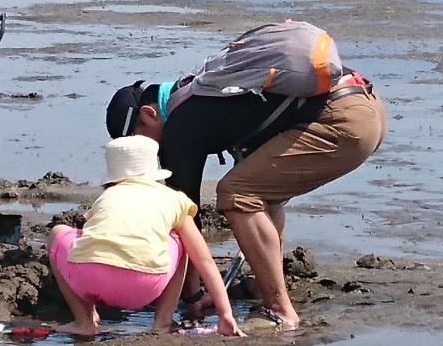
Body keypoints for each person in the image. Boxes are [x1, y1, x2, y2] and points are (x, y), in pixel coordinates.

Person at [105, 26, 385, 330]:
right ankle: (262, 285)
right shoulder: (202, 88)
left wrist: (193, 296)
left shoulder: (179, 126)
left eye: (139, 140)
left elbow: (185, 222)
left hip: (342, 122)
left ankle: (280, 310)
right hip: (365, 106)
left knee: (236, 193)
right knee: (259, 191)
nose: (146, 151)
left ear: (148, 114)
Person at [49, 135, 244, 337]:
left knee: (59, 233)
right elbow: (204, 260)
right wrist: (225, 313)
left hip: (89, 281)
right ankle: (162, 322)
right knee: (181, 240)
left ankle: (84, 321)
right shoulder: (174, 199)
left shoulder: (106, 197)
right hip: (142, 287)